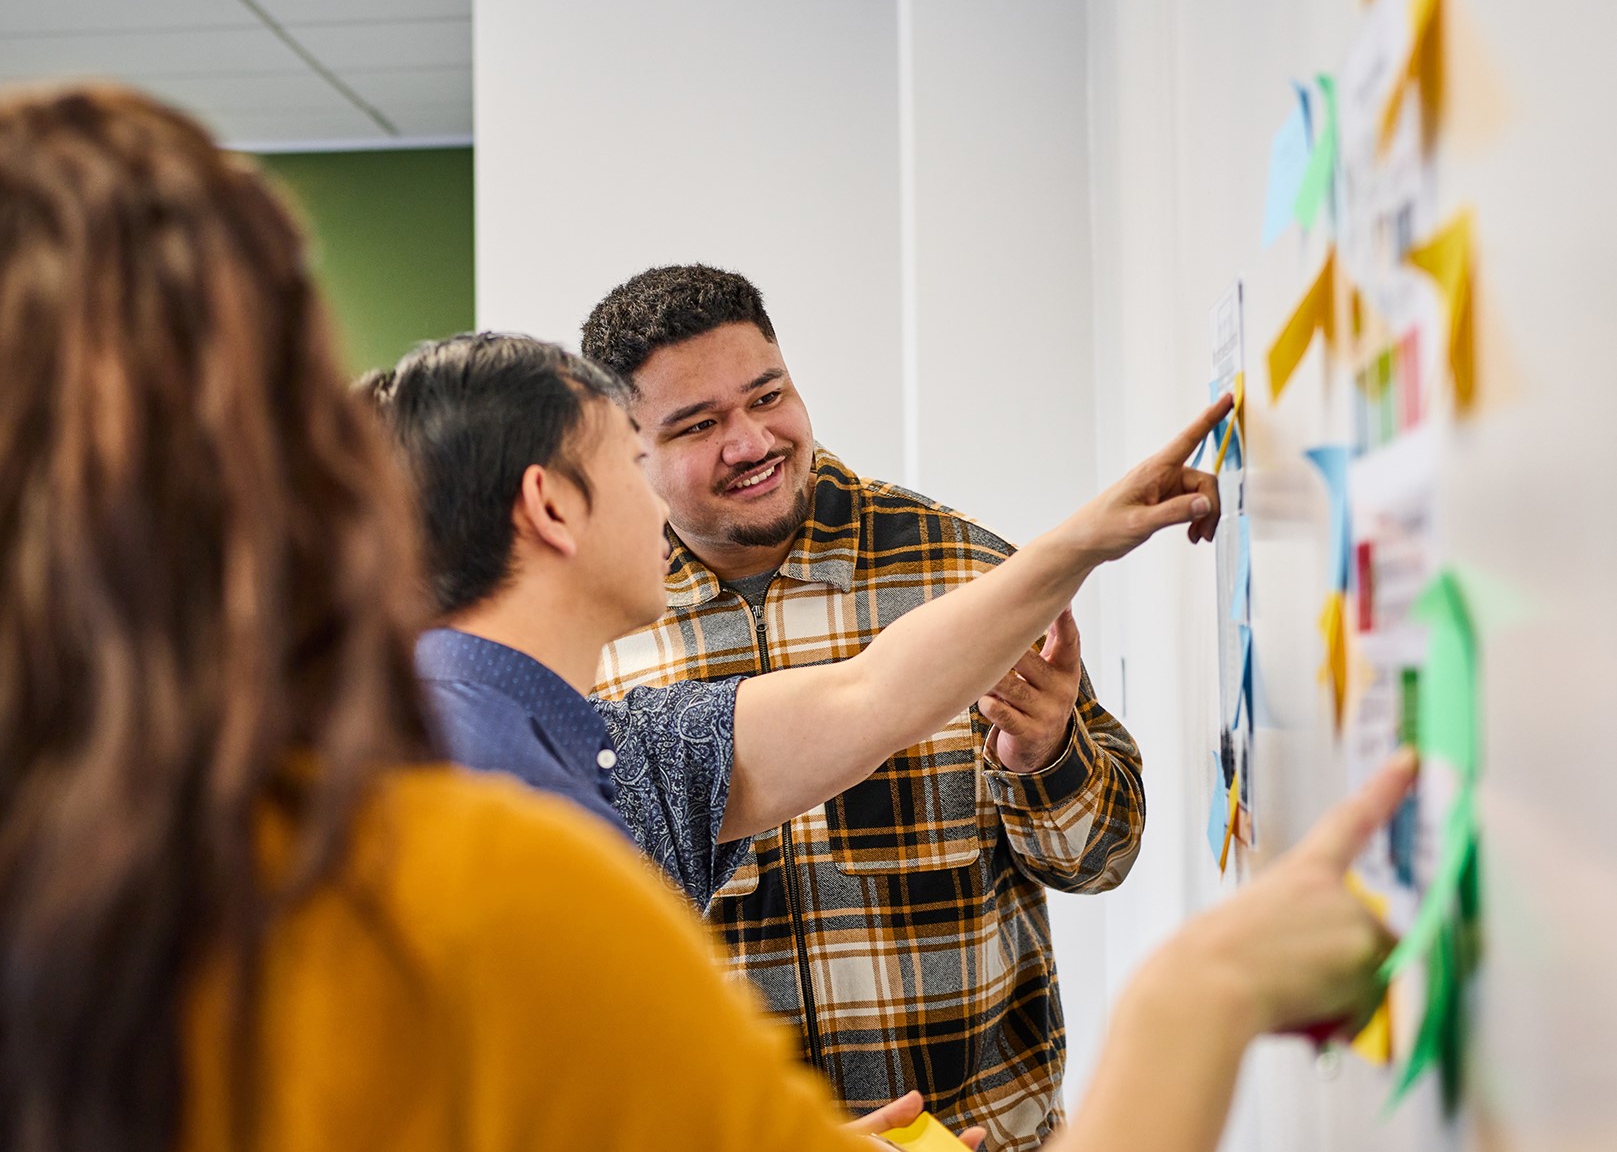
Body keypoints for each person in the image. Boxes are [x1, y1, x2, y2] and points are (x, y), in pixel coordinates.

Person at [0, 82, 1401, 1152]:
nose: (735, 452)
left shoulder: (561, 746)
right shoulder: (469, 859)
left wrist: (1080, 545)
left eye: (767, 396)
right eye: (645, 451)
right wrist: (1202, 991)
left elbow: (874, 695)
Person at [363, 334, 1216, 919]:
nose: (654, 501)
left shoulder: (619, 749)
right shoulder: (434, 780)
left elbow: (873, 692)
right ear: (550, 506)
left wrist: (1087, 537)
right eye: (631, 463)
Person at [582, 264, 1143, 1146]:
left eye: (767, 396)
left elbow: (1099, 859)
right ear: (629, 452)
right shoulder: (598, 642)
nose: (751, 440)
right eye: (698, 425)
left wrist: (1047, 758)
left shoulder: (960, 574)